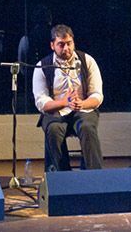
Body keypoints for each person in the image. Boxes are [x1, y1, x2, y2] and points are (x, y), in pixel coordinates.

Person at [33, 24, 103, 171]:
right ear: (52, 45)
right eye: (61, 45)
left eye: (69, 44)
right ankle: (61, 179)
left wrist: (82, 104)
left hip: (82, 110)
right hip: (56, 112)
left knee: (87, 128)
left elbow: (97, 95)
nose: (66, 48)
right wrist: (64, 102)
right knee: (53, 130)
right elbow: (41, 102)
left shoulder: (87, 60)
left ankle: (93, 178)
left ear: (73, 42)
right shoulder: (42, 66)